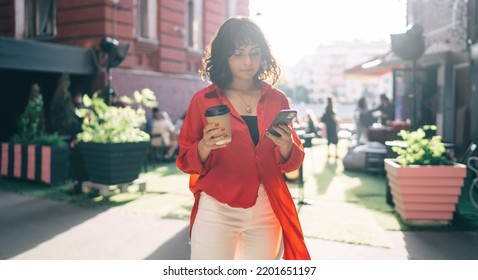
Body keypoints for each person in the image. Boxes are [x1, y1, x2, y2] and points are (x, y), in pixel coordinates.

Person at [176, 16, 310, 260]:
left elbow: (292, 164)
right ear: (224, 56)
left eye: (254, 52)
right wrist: (205, 145)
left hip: (267, 207)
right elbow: (185, 160)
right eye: (238, 53)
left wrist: (287, 145)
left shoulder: (277, 99)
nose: (248, 61)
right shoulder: (203, 100)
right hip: (217, 206)